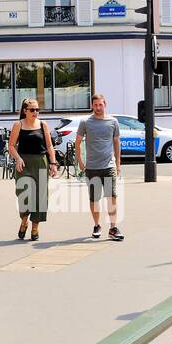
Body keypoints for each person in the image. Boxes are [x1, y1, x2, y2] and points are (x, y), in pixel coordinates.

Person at [8, 98, 58, 241]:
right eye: (32, 110)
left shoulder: (43, 124)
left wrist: (53, 163)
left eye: (37, 109)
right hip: (23, 163)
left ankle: (35, 227)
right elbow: (11, 146)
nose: (35, 112)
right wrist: (18, 158)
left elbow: (49, 146)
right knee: (24, 194)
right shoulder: (18, 125)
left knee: (41, 197)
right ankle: (24, 221)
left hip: (41, 162)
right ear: (25, 111)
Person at [75, 94, 123, 241]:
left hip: (108, 166)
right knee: (94, 199)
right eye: (95, 105)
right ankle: (97, 225)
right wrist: (80, 162)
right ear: (92, 106)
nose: (98, 107)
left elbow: (116, 143)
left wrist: (118, 163)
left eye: (100, 105)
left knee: (111, 197)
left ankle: (113, 228)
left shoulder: (113, 122)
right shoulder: (85, 122)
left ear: (105, 104)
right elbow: (77, 143)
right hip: (92, 167)